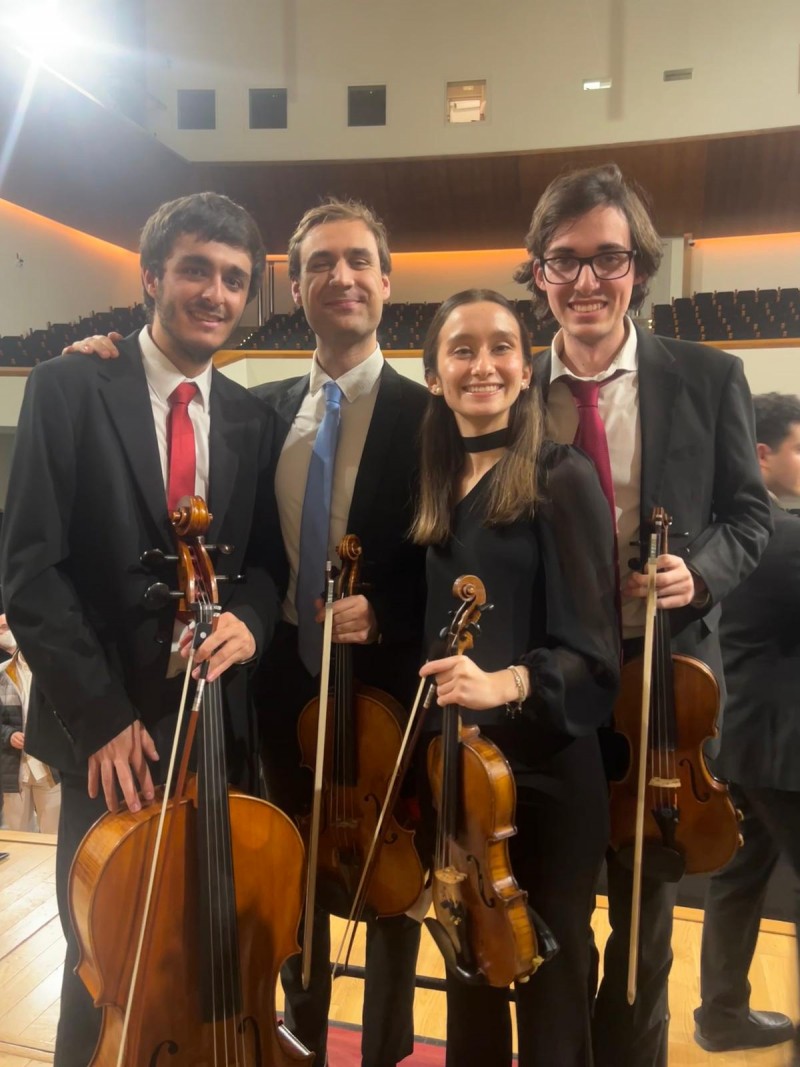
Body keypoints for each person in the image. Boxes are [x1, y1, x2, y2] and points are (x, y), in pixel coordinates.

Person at [0, 192, 286, 1067]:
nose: (215, 292)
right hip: (108, 740)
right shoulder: (67, 385)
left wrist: (247, 618)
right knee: (108, 967)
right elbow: (30, 571)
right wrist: (103, 718)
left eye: (234, 279)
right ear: (152, 274)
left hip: (209, 732)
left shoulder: (250, 417)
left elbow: (267, 566)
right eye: (197, 269)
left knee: (209, 966)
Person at [514, 162, 773, 1067]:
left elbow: (752, 517)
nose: (587, 281)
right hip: (549, 684)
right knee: (552, 908)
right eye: (566, 260)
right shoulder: (505, 381)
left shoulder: (709, 378)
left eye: (609, 259)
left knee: (646, 922)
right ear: (539, 271)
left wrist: (696, 573)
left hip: (665, 687)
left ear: (640, 266)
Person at [415, 289, 620, 1067]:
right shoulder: (437, 477)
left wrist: (508, 682)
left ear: (527, 366)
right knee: (468, 964)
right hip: (461, 769)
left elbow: (596, 651)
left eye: (502, 346)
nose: (483, 364)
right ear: (434, 375)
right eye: (461, 349)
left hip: (546, 773)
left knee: (552, 978)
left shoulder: (559, 477)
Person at [251, 199, 428, 1067]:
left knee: (393, 888)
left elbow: (458, 558)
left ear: (387, 282)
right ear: (296, 285)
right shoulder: (262, 411)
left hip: (389, 683)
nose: (342, 276)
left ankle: (388, 1049)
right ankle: (302, 1038)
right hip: (284, 675)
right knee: (297, 868)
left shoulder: (431, 414)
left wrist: (387, 609)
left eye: (360, 259)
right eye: (321, 262)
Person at [694, 392, 800, 1054]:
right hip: (784, 743)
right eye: (798, 446)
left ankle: (722, 1014)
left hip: (729, 733)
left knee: (737, 876)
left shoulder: (713, 527)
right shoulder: (782, 532)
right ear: (761, 454)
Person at [0, 614, 61, 832]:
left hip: (49, 765)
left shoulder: (53, 670)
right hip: (15, 767)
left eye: (5, 627)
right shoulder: (2, 673)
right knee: (18, 835)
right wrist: (8, 735)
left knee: (53, 835)